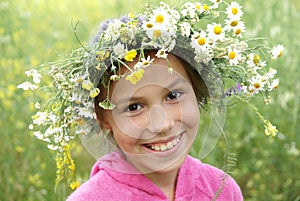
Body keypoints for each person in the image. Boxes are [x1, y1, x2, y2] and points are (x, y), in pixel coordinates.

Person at [17, 1, 283, 200]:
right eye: (134, 107)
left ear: (197, 90)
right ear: (103, 120)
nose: (162, 123)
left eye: (173, 96)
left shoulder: (222, 189)